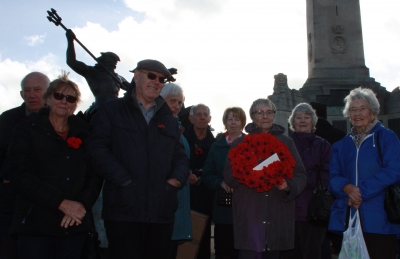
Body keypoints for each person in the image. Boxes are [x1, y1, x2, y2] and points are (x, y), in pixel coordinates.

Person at [85, 59, 190, 259]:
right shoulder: (111, 111)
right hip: (123, 212)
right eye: (151, 75)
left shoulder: (169, 120)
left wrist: (173, 183)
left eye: (161, 79)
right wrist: (125, 181)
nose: (156, 81)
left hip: (160, 213)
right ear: (136, 76)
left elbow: (181, 159)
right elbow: (95, 150)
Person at [6, 71, 102, 258]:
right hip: (36, 224)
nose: (64, 101)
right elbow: (17, 173)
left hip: (74, 224)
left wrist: (81, 205)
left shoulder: (85, 133)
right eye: (59, 95)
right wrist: (60, 202)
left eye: (71, 98)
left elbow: (95, 174)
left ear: (75, 106)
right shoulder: (26, 130)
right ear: (48, 99)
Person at [223, 98, 306, 259]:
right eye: (260, 113)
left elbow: (301, 175)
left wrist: (288, 185)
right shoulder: (240, 143)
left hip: (278, 215)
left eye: (269, 112)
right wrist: (246, 172)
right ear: (253, 116)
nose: (265, 116)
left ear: (274, 115)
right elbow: (228, 176)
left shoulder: (287, 142)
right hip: (249, 216)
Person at [328, 87, 400, 259]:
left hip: (380, 219)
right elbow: (333, 176)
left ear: (372, 112)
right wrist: (346, 187)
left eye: (363, 108)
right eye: (353, 109)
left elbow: (394, 170)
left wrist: (360, 192)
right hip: (348, 218)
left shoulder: (387, 137)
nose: (357, 113)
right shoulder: (340, 145)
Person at [0, 71, 50, 259]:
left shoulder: (61, 121)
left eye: (37, 90)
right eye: (27, 90)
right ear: (21, 94)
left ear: (48, 93)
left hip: (46, 202)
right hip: (10, 201)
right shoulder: (7, 119)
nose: (32, 95)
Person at [280, 103, 331, 259]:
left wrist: (299, 179)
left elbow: (328, 175)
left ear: (313, 121)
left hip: (313, 211)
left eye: (307, 117)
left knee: (312, 253)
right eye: (298, 117)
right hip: (287, 210)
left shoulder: (323, 145)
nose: (302, 121)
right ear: (293, 121)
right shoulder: (283, 144)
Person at [202, 107, 246, 259]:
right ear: (225, 122)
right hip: (223, 210)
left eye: (237, 119)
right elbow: (206, 175)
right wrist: (219, 182)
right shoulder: (216, 146)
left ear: (242, 122)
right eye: (230, 119)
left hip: (246, 209)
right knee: (224, 250)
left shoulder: (252, 144)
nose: (233, 123)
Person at [66, 29, 130, 121]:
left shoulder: (118, 78)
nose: (114, 64)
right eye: (112, 61)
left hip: (115, 110)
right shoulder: (92, 72)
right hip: (99, 109)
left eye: (115, 63)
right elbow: (71, 62)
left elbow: (134, 89)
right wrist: (70, 41)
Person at [160, 82, 192, 259]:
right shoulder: (158, 126)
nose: (177, 106)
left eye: (180, 102)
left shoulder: (178, 128)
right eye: (172, 101)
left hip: (176, 201)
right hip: (162, 202)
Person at [183, 103, 216, 259]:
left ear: (210, 119)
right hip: (185, 196)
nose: (202, 117)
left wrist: (206, 174)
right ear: (191, 118)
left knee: (203, 241)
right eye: (198, 114)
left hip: (206, 197)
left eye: (205, 114)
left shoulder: (214, 143)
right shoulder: (182, 139)